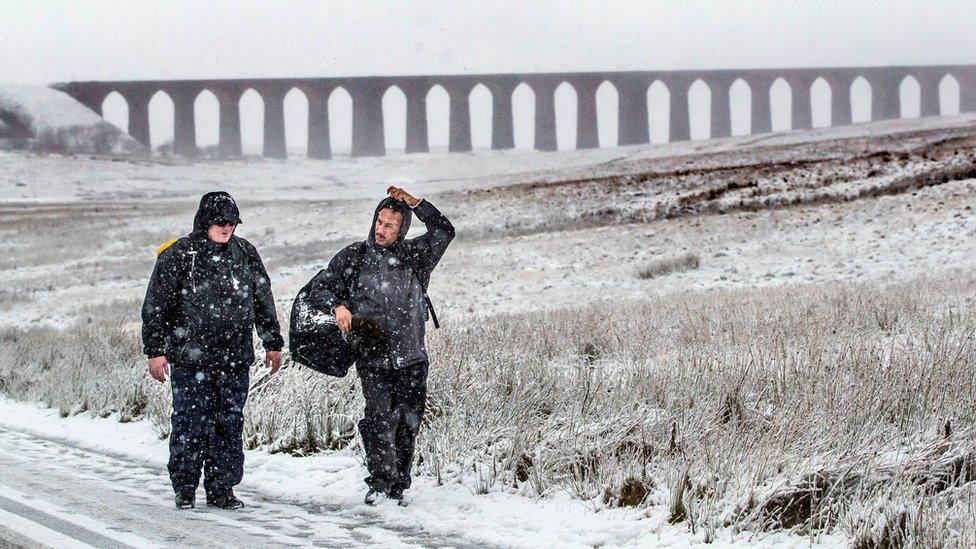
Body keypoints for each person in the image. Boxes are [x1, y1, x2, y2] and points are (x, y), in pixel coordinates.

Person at [311, 186, 454, 506]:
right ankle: (379, 482)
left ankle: (398, 485)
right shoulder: (355, 256)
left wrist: (416, 203)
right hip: (372, 356)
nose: (381, 229)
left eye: (390, 225)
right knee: (378, 418)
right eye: (379, 221)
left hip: (413, 357)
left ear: (402, 228)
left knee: (407, 422)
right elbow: (320, 287)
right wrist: (338, 306)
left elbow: (445, 230)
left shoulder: (417, 255)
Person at [141, 191, 283, 510]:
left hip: (234, 358)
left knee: (229, 424)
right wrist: (155, 351)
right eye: (221, 221)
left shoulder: (245, 253)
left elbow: (263, 299)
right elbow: (155, 307)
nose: (227, 227)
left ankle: (222, 489)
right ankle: (185, 487)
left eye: (232, 222)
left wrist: (272, 342)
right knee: (190, 422)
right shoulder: (179, 255)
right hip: (189, 360)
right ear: (206, 220)